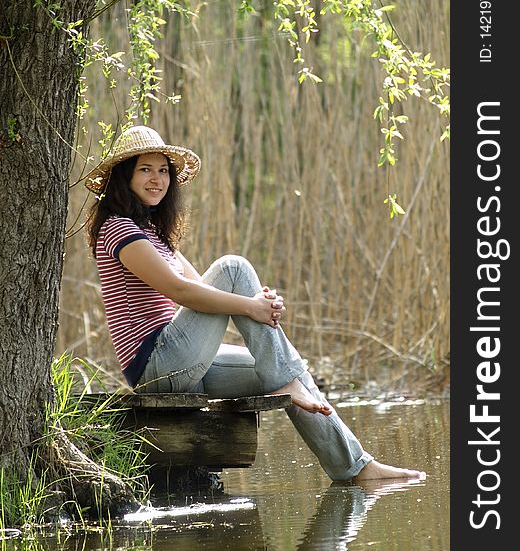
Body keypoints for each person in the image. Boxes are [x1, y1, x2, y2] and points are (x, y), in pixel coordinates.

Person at [85, 125, 425, 483]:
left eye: (163, 170)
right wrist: (250, 307)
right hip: (157, 364)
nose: (157, 179)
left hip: (184, 359)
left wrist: (255, 306)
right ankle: (291, 386)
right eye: (145, 170)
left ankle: (355, 469)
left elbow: (206, 296)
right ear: (125, 176)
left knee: (287, 371)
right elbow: (182, 292)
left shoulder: (154, 234)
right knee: (234, 267)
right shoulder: (118, 229)